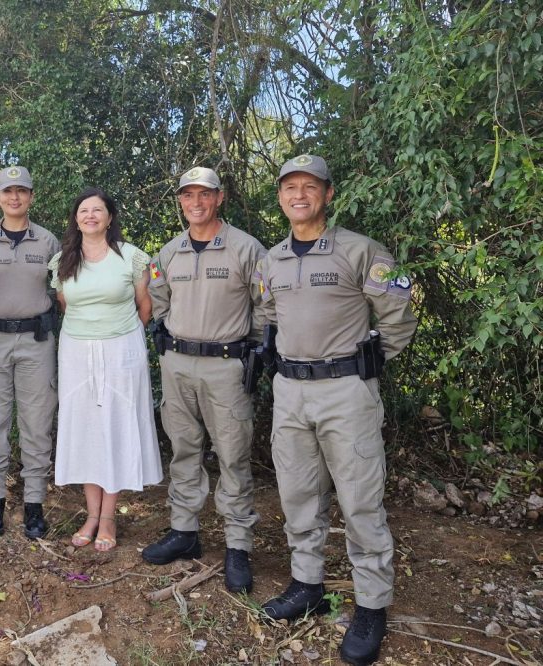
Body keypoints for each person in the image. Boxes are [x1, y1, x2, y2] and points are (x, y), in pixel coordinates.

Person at [255, 155, 417, 666]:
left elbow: (399, 316)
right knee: (298, 493)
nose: (298, 195)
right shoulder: (271, 259)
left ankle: (371, 604)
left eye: (310, 186)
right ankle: (307, 584)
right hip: (290, 391)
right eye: (289, 187)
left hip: (346, 393)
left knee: (360, 499)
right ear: (280, 197)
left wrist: (363, 366)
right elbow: (268, 313)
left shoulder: (362, 251)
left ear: (327, 194)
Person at [143, 166, 266, 594]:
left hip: (226, 366)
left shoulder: (246, 248)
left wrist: (252, 348)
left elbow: (264, 306)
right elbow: (159, 299)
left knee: (232, 455)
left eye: (204, 194)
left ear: (219, 198)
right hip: (177, 363)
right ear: (180, 201)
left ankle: (238, 545)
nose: (196, 203)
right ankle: (185, 531)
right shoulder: (169, 252)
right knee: (183, 449)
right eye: (188, 195)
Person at [48, 187, 162, 551]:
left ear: (110, 218)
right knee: (86, 429)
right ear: (76, 218)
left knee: (115, 425)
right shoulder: (63, 260)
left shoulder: (131, 257)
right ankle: (91, 515)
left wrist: (119, 338)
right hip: (76, 352)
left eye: (98, 210)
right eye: (84, 210)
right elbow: (65, 304)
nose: (91, 215)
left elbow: (145, 306)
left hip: (121, 350)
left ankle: (109, 517)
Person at [0, 166, 61, 539]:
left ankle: (34, 504)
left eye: (22, 190)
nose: (15, 197)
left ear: (31, 196)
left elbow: (65, 288)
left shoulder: (48, 242)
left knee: (37, 422)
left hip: (37, 342)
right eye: (8, 191)